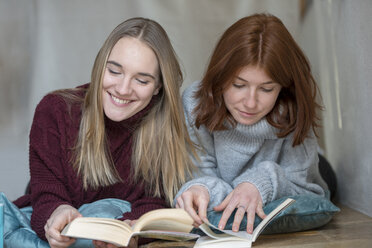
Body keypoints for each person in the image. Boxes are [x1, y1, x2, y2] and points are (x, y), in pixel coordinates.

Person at [1, 17, 195, 248]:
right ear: (100, 66)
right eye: (114, 71)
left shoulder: (163, 127)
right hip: (47, 223)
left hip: (107, 226)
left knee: (106, 212)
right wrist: (57, 211)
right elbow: (46, 193)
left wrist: (130, 233)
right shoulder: (55, 110)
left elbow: (154, 204)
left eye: (141, 80)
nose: (123, 89)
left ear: (158, 88)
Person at [175, 13, 329, 235]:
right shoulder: (194, 103)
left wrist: (259, 182)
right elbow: (198, 176)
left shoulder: (294, 108)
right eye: (238, 85)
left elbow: (310, 191)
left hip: (309, 167)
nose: (250, 103)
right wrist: (202, 187)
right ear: (220, 77)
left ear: (283, 88)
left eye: (267, 89)